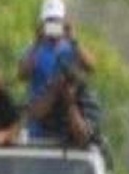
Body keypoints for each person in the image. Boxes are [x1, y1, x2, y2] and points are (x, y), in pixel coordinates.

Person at [19, 0, 97, 138]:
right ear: (42, 23)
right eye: (49, 22)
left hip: (69, 122)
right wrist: (37, 42)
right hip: (39, 125)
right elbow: (22, 74)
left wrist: (73, 40)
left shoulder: (72, 48)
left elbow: (91, 66)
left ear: (64, 22)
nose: (53, 26)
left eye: (56, 21)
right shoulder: (33, 49)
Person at [27, 62, 103, 148]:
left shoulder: (88, 99)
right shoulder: (50, 93)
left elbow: (82, 137)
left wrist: (70, 104)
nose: (67, 85)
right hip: (48, 150)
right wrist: (53, 92)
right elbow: (34, 114)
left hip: (78, 154)